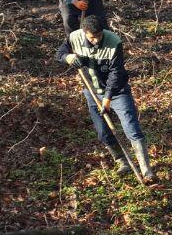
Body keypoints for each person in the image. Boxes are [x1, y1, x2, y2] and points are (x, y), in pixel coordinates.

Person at [57, 15, 154, 183]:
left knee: (132, 128)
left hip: (117, 92)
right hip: (92, 92)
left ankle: (146, 171)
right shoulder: (74, 37)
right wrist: (69, 57)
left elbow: (116, 73)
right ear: (84, 32)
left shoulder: (114, 41)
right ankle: (122, 162)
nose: (96, 40)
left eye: (99, 36)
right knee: (103, 133)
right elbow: (59, 53)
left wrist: (107, 99)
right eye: (92, 37)